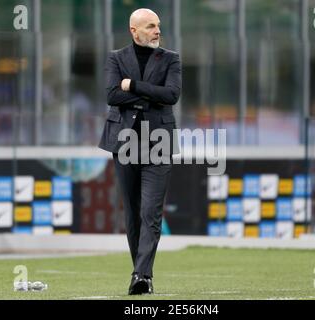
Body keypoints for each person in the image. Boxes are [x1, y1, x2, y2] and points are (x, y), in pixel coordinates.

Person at [98, 8, 181, 295]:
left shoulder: (171, 59)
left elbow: (171, 95)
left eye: (158, 25)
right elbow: (111, 95)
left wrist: (132, 86)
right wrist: (149, 94)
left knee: (150, 212)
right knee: (133, 214)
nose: (158, 31)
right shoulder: (116, 58)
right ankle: (142, 275)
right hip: (124, 143)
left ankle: (141, 275)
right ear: (134, 31)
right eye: (150, 26)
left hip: (159, 143)